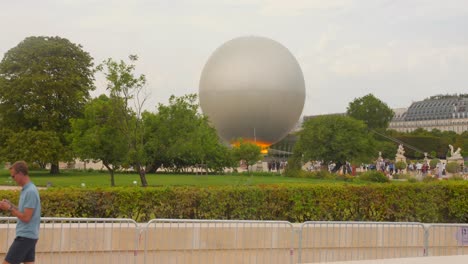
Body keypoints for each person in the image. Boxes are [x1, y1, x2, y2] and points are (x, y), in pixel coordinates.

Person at [0, 161, 41, 264]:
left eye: (13, 176)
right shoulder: (26, 190)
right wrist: (11, 205)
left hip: (25, 237)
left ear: (21, 174)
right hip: (29, 236)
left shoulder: (30, 191)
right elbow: (23, 212)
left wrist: (9, 208)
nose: (13, 179)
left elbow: (26, 218)